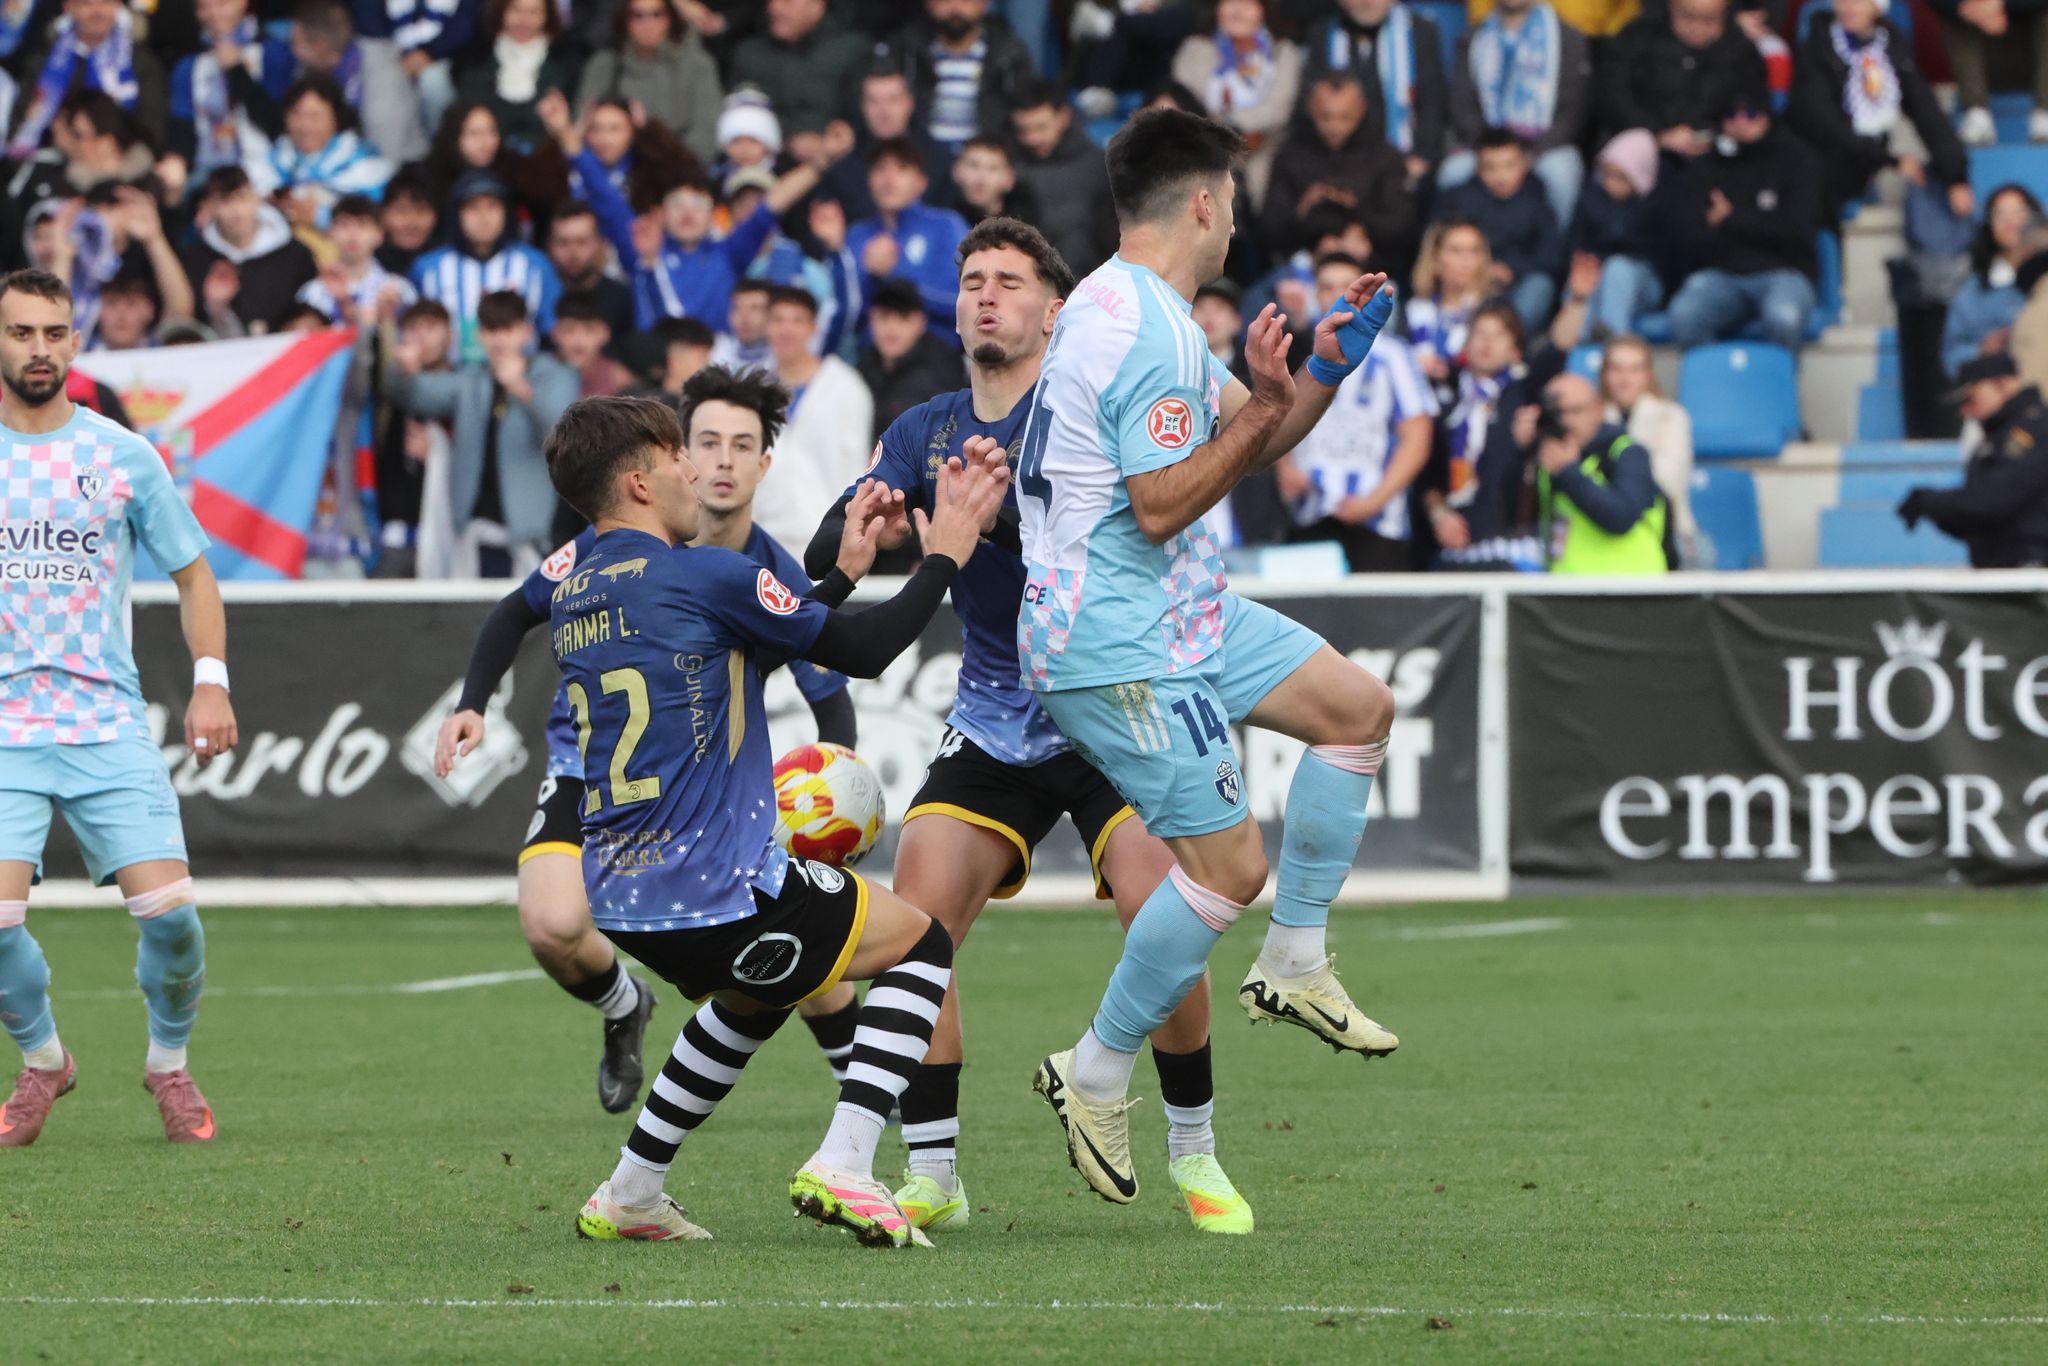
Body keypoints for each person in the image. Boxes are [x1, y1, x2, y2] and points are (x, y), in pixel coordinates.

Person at [803, 216, 1253, 1235]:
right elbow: (832, 541)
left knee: (1163, 918)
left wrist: (988, 516)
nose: (986, 295)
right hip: (997, 724)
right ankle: (933, 1174)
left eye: (1008, 280)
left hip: (1114, 710)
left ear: (1055, 311)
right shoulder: (921, 429)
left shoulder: (1088, 409)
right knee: (911, 928)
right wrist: (866, 522)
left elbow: (1130, 520)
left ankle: (1195, 1151)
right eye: (971, 280)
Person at [1015, 107, 1403, 1205]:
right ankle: (1090, 1071)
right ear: (1200, 202)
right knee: (1227, 868)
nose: (1236, 212)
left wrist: (1321, 372)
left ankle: (1294, 961)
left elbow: (1257, 432)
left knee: (1356, 708)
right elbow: (1154, 504)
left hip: (1175, 607)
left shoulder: (1139, 310)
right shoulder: (1137, 329)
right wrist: (1257, 413)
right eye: (1230, 195)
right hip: (1112, 637)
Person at [538, 393, 1007, 1247]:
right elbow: (861, 654)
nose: (694, 472)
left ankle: (633, 1190)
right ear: (641, 482)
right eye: (681, 456)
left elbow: (751, 633)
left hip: (622, 899)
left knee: (760, 994)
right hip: (719, 886)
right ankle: (847, 1160)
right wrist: (943, 557)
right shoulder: (703, 570)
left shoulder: (576, 593)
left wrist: (846, 573)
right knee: (922, 942)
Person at [434, 366, 867, 1114]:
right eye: (702, 442)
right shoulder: (603, 550)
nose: (718, 461)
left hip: (699, 788)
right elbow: (514, 609)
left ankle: (861, 1097)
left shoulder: (767, 571)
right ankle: (622, 1008)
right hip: (590, 770)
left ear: (766, 465)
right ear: (664, 465)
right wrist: (472, 701)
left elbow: (829, 689)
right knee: (551, 925)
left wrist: (834, 790)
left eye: (741, 445)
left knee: (807, 959)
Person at [0, 267, 237, 1149]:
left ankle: (168, 1067)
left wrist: (209, 676)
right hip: (6, 729)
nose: (39, 349)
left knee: (173, 921)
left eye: (54, 333)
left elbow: (193, 572)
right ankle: (46, 1061)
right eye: (21, 332)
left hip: (104, 720)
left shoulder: (121, 455)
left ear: (74, 340)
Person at [385, 289, 579, 576]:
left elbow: (567, 439)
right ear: (479, 335)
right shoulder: (471, 378)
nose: (499, 339)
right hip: (473, 531)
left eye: (508, 329)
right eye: (491, 329)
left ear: (526, 332)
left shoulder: (556, 375)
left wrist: (523, 391)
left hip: (531, 534)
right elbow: (415, 395)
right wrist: (402, 369)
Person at [1278, 250, 1436, 570]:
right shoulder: (1297, 350)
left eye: (1345, 286)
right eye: (1326, 287)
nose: (1336, 296)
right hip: (1309, 516)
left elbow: (1418, 437)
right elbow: (1275, 414)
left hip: (1377, 525)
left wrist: (1373, 501)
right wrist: (1284, 466)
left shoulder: (1394, 355)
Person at [1666, 82, 1823, 352]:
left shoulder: (1797, 159)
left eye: (1750, 113)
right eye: (1731, 115)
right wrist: (1760, 223)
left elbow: (1798, 231)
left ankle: (1777, 392)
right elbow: (1690, 235)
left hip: (1785, 272)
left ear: (1765, 115)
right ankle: (1713, 390)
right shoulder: (1704, 167)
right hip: (1722, 274)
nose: (1741, 122)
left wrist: (1731, 219)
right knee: (1685, 315)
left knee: (1783, 317)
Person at [1788, 0, 1970, 225]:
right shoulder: (1818, 43)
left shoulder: (1891, 44)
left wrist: (1955, 176)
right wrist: (1889, 160)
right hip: (1817, 162)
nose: (1848, 7)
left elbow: (1925, 109)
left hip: (1862, 162)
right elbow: (1821, 120)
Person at [615, 156, 824, 333]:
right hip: (656, 372)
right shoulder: (641, 247)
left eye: (698, 205)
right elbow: (607, 204)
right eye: (677, 204)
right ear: (662, 214)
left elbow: (768, 208)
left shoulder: (727, 253)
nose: (688, 214)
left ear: (713, 214)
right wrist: (649, 260)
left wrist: (822, 160)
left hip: (715, 372)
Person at [1442, 0, 1591, 228]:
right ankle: (1457, 255)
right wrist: (1493, 153)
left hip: (1544, 145)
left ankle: (1560, 255)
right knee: (1452, 172)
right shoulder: (1472, 39)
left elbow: (1572, 111)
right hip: (1485, 144)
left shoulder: (1567, 38)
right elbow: (1462, 105)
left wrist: (1526, 154)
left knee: (1562, 172)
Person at [1898, 353, 2048, 567]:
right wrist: (1934, 509)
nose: (1964, 411)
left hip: (2033, 577)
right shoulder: (1993, 440)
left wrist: (1932, 502)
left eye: (1970, 398)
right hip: (2003, 574)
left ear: (2002, 384)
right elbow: (1975, 518)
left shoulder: (2036, 431)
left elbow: (1991, 503)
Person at [758, 285, 873, 548]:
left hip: (826, 540)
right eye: (778, 320)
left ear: (813, 328)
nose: (786, 330)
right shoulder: (753, 388)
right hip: (763, 538)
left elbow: (857, 466)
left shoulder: (846, 386)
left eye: (797, 321)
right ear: (767, 326)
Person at [409, 169, 562, 363]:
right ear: (457, 214)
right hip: (448, 382)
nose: (484, 217)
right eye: (473, 207)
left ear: (506, 212)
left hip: (521, 381)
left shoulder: (535, 265)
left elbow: (553, 331)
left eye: (492, 206)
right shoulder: (427, 268)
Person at [1260, 73, 1416, 264]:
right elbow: (1269, 231)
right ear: (1311, 109)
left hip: (1372, 268)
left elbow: (1400, 230)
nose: (1335, 126)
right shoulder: (1290, 157)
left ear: (1361, 109)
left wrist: (1355, 210)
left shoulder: (1385, 157)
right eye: (1326, 117)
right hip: (1301, 270)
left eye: (1344, 117)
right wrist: (1303, 210)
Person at [1298, 0, 1447, 185]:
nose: (1367, 2)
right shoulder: (1322, 34)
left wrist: (1422, 156)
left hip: (1403, 158)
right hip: (1339, 161)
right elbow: (1309, 106)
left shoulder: (1419, 31)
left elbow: (1432, 102)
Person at [1170, 0, 1301, 208]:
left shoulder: (1284, 51)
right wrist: (1229, 137)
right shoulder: (1194, 49)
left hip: (1265, 151)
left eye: (1248, 3)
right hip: (1204, 152)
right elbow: (1184, 104)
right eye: (1229, 1)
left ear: (1263, 10)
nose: (1238, 10)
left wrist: (1242, 130)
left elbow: (1279, 108)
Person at [1534, 372, 1669, 574]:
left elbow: (1620, 518)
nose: (1566, 421)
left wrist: (1570, 473)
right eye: (1557, 413)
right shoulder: (1547, 458)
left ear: (1598, 409)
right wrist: (1519, 449)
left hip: (1633, 589)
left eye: (1576, 410)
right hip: (1567, 590)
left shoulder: (1627, 452)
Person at [841, 137, 972, 339]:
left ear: (921, 182)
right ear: (869, 180)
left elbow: (963, 305)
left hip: (936, 353)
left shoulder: (946, 226)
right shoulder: (856, 235)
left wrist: (893, 275)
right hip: (869, 357)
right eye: (880, 169)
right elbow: (849, 318)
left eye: (901, 169)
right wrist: (870, 277)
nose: (888, 179)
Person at [8, 0, 170, 162]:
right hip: (51, 162)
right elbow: (19, 124)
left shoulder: (142, 64)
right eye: (87, 3)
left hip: (123, 165)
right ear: (68, 8)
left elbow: (152, 128)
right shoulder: (43, 64)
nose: (97, 11)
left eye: (105, 3)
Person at [1436, 128, 1564, 331]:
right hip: (1465, 284)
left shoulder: (1538, 201)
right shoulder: (1460, 199)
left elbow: (1551, 257)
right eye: (1491, 167)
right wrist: (1479, 268)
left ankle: (1509, 345)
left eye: (1509, 165)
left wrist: (1511, 269)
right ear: (1478, 169)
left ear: (1525, 164)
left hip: (1515, 288)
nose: (1501, 175)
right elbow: (1435, 246)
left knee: (1540, 285)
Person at [1598, 0, 1763, 155]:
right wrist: (1659, 134)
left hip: (1715, 153)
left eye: (1709, 20)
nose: (1698, 28)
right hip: (1642, 146)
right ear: (1672, 6)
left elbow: (1750, 107)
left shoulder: (1741, 52)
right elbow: (1615, 97)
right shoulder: (1638, 38)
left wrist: (1709, 136)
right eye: (1688, 17)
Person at [164, 0, 297, 191]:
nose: (213, 14)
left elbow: (277, 125)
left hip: (268, 174)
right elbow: (182, 127)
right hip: (208, 177)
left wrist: (237, 71)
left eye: (221, 4)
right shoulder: (188, 66)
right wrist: (175, 161)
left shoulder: (273, 53)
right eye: (203, 7)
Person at [576, 0, 724, 165]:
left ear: (670, 19)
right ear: (625, 21)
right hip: (613, 169)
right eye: (637, 16)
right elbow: (584, 126)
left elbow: (706, 131)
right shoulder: (604, 65)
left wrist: (666, 163)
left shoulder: (697, 65)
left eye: (657, 14)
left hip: (681, 168)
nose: (648, 24)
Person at [179, 165, 319, 333]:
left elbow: (313, 314)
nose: (235, 210)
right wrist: (216, 309)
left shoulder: (296, 255)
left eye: (241, 198)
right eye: (225, 201)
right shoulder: (196, 258)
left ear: (255, 199)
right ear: (211, 206)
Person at [882, 0, 1038, 151]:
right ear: (929, 4)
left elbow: (1023, 110)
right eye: (946, 1)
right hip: (920, 157)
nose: (955, 8)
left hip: (987, 159)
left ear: (983, 5)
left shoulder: (1008, 53)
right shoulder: (908, 50)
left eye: (965, 1)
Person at [246, 73, 393, 232]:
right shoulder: (272, 159)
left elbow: (375, 216)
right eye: (296, 114)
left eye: (314, 116)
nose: (304, 125)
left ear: (336, 118)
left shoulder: (365, 163)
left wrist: (319, 217)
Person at [1599, 334, 1696, 564]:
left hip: (1669, 531)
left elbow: (1667, 481)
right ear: (1604, 374)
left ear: (1648, 374)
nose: (1625, 379)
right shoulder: (1591, 419)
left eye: (1635, 369)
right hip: (1603, 530)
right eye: (1616, 369)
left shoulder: (1671, 416)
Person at [1007, 82, 1118, 276]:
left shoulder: (1099, 166)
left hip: (1088, 284)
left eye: (1041, 127)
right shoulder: (1006, 165)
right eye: (1024, 130)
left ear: (1063, 117)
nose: (1032, 138)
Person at [1564, 129, 1660, 343]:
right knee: (1583, 274)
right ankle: (1573, 348)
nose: (1611, 183)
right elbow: (1576, 242)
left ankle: (1613, 343)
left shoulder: (1657, 204)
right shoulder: (1591, 198)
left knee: (1618, 270)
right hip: (1597, 272)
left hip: (1641, 281)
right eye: (1607, 174)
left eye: (1621, 177)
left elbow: (1659, 257)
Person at [730, 0, 873, 137]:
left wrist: (835, 141)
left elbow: (863, 116)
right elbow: (738, 116)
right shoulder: (749, 54)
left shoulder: (852, 51)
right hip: (763, 157)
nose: (773, 8)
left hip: (837, 157)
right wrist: (789, 142)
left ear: (817, 6)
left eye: (787, 1)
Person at [1945, 186, 2042, 378]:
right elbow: (1951, 354)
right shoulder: (1972, 291)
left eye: (2019, 212)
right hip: (2001, 389)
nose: (2011, 221)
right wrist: (1982, 349)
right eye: (2001, 214)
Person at [456, 0, 576, 155]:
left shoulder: (566, 62)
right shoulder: (476, 59)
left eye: (534, 12)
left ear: (547, 16)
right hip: (486, 161)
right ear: (501, 12)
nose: (524, 20)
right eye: (516, 10)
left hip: (548, 162)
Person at [858, 277, 962, 438]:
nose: (891, 329)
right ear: (871, 320)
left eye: (903, 318)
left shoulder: (942, 373)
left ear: (921, 322)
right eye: (884, 317)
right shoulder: (864, 366)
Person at [1937, 0, 2048, 146]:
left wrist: (2000, 5)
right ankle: (1977, 114)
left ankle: (2044, 114)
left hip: (2031, 61)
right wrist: (1962, 8)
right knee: (1960, 12)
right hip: (1978, 62)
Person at [295, 193, 416, 323]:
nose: (353, 234)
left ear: (380, 235)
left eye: (362, 225)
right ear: (330, 232)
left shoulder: (399, 290)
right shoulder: (311, 294)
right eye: (344, 225)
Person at [1405, 218, 1491, 394]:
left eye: (1474, 251)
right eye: (1456, 250)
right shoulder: (1412, 311)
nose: (1467, 260)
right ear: (1435, 259)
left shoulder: (1492, 312)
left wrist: (1449, 372)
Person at [544, 201, 636, 341]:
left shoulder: (621, 299)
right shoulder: (541, 297)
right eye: (563, 242)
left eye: (582, 242)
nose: (573, 253)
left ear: (600, 244)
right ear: (550, 246)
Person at [552, 291, 635, 398]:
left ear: (605, 333)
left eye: (589, 330)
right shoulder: (538, 371)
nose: (579, 340)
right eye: (569, 330)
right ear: (554, 332)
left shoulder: (618, 377)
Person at [951, 134, 1039, 226]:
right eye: (974, 165)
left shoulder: (1024, 228)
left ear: (1009, 179)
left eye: (993, 169)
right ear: (956, 170)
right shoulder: (940, 221)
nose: (981, 179)